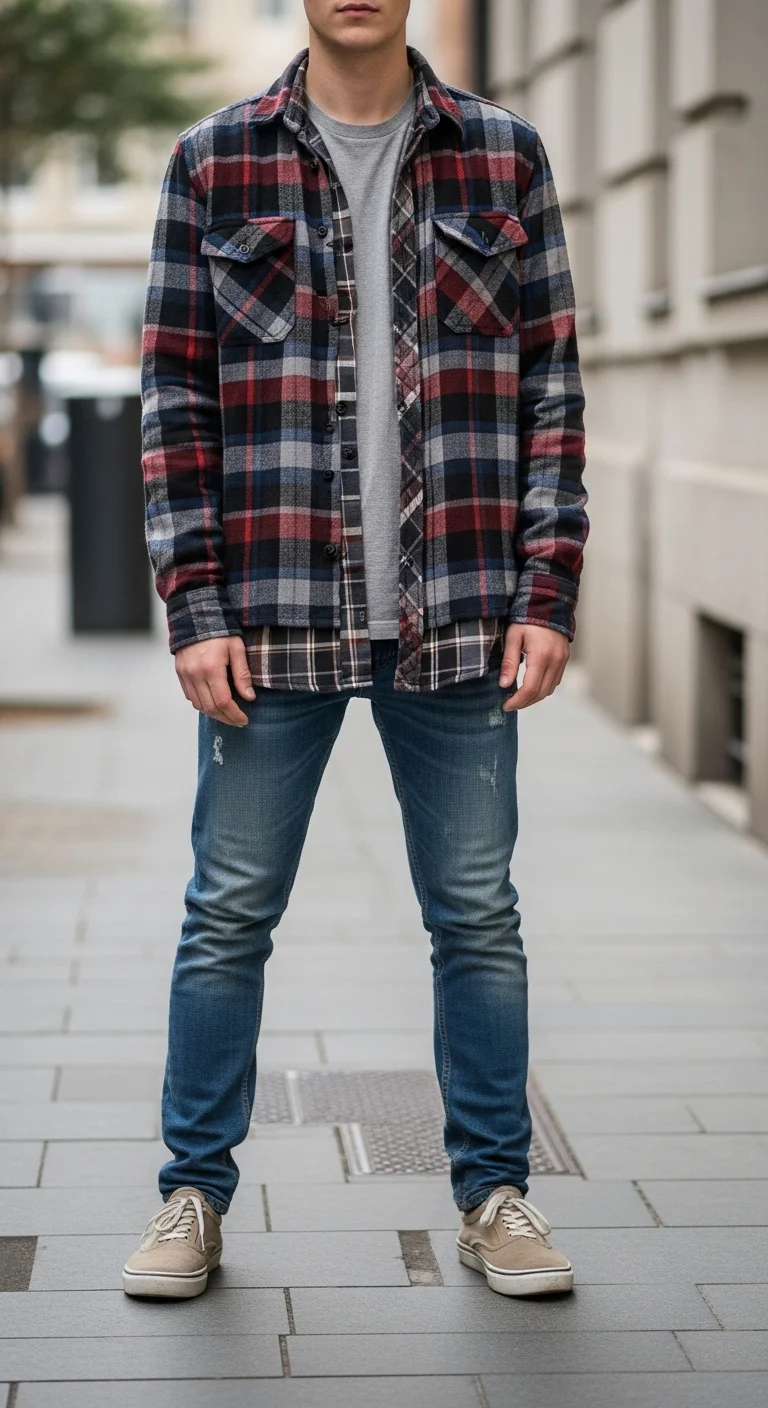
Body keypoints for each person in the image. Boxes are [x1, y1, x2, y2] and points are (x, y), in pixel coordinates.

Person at [124, 0, 587, 1302]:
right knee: (227, 916)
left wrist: (550, 589)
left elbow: (553, 380)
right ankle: (190, 1197)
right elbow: (172, 394)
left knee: (479, 919)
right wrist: (194, 605)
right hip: (272, 620)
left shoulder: (505, 154)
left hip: (462, 620)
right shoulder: (215, 160)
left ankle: (495, 1195)